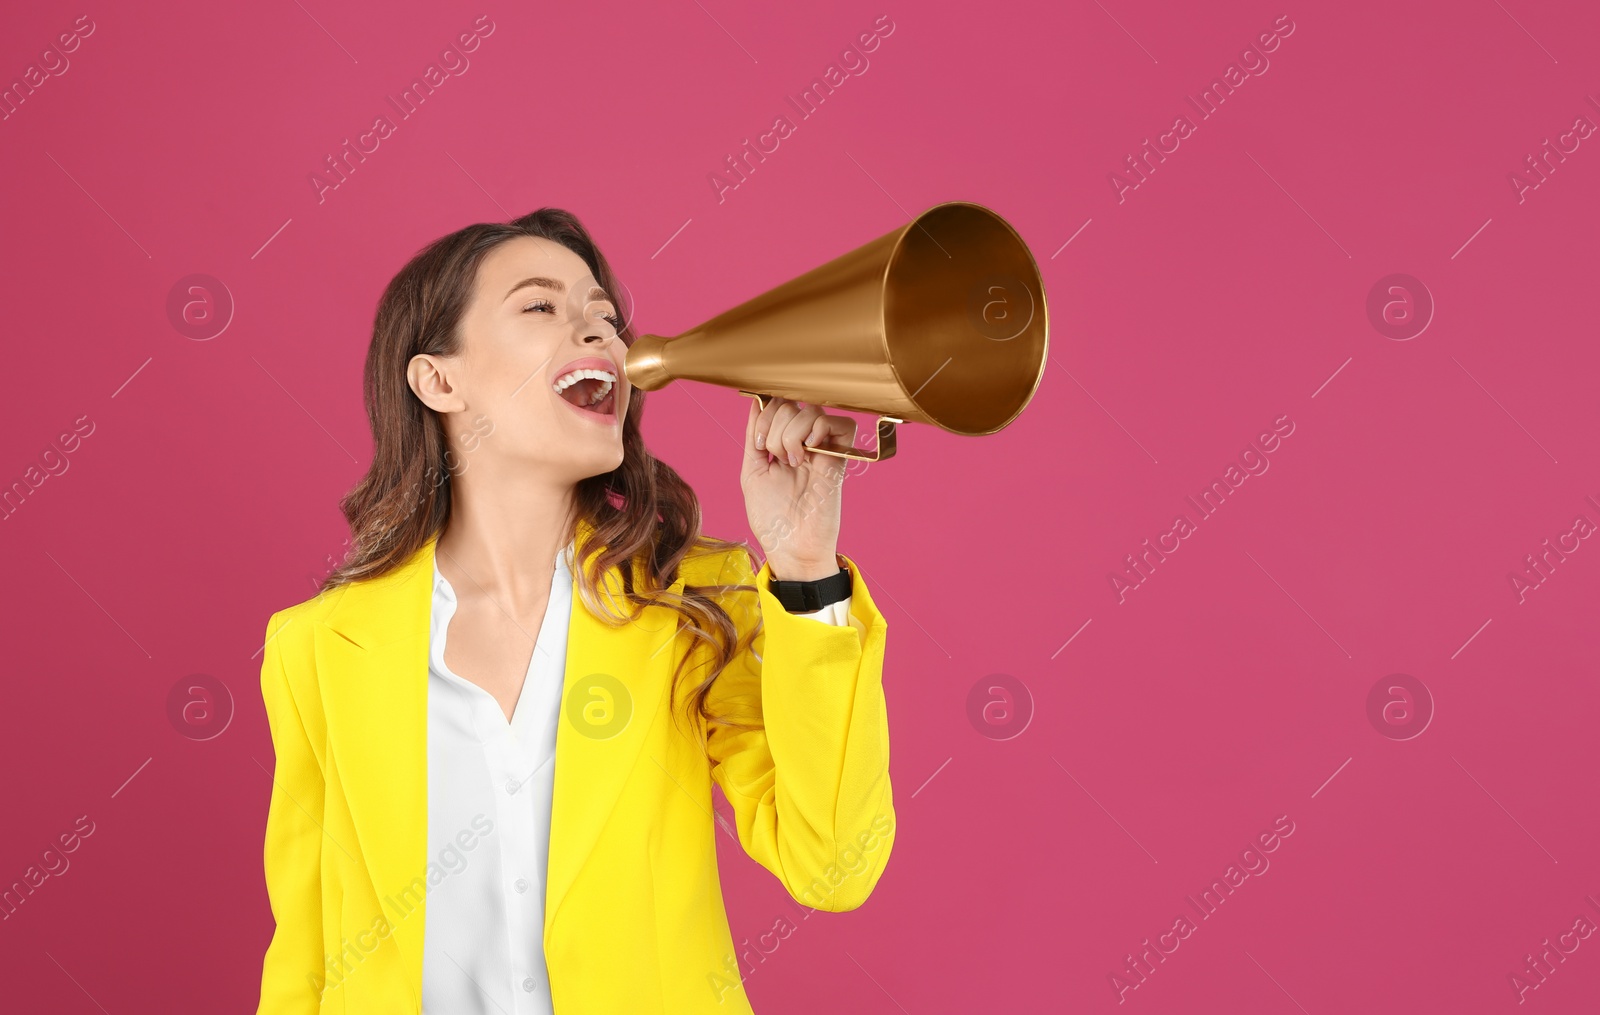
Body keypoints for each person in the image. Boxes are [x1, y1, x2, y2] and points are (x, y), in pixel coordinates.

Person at [254, 208, 895, 1013]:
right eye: (541, 306)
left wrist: (805, 572)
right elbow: (306, 956)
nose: (601, 337)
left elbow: (835, 863)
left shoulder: (692, 602)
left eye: (605, 318)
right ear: (438, 380)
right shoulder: (316, 647)